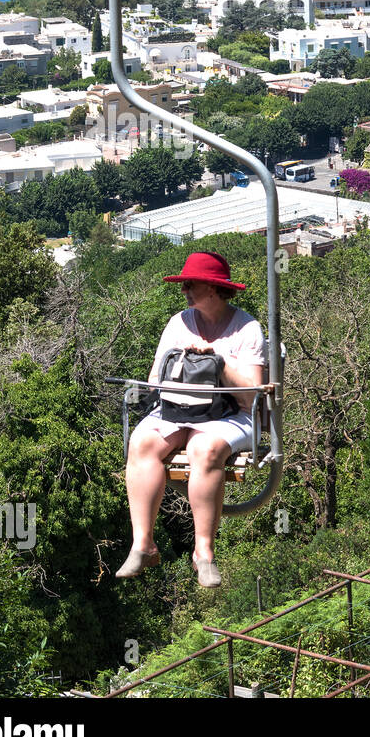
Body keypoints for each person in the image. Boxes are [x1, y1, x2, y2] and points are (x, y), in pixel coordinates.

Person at [116, 252, 266, 588]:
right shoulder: (178, 323)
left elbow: (251, 396)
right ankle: (143, 543)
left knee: (205, 448)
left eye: (191, 284)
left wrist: (219, 364)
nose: (185, 290)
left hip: (228, 413)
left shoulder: (247, 329)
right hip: (178, 409)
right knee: (141, 443)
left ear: (213, 289)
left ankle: (204, 553)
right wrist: (183, 366)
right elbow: (156, 379)